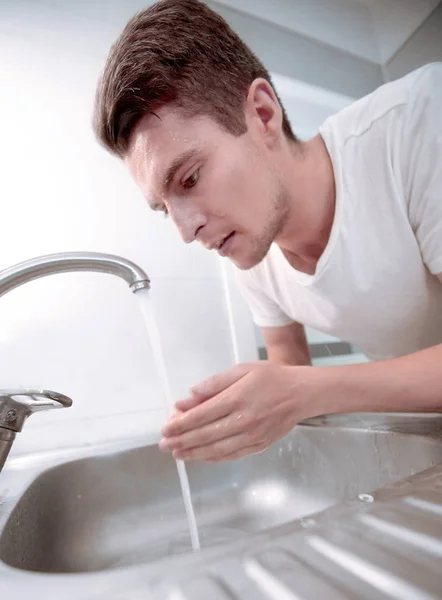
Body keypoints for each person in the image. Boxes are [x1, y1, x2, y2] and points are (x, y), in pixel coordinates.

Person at [93, 0, 442, 463]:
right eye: (164, 209)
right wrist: (249, 411)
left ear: (261, 113)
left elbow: (301, 387)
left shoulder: (417, 123)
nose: (185, 230)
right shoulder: (252, 255)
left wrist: (303, 391)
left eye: (190, 179)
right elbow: (290, 371)